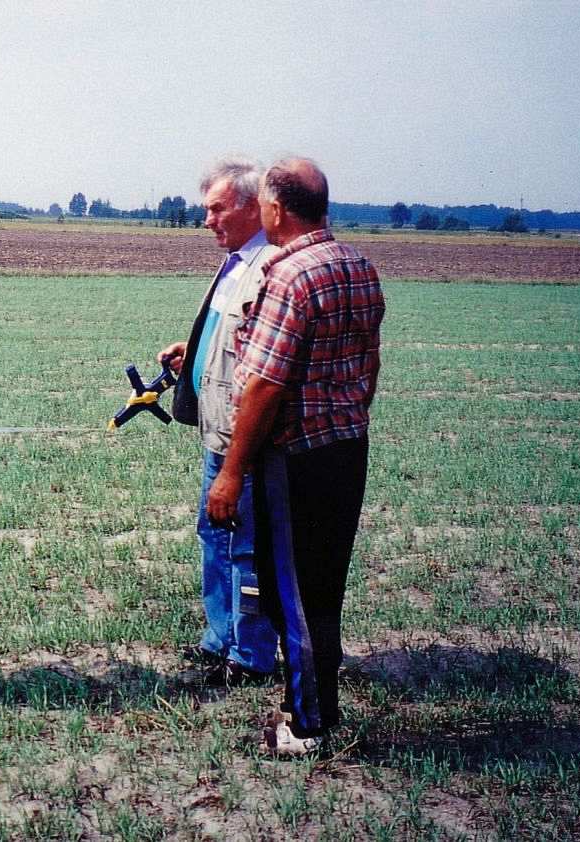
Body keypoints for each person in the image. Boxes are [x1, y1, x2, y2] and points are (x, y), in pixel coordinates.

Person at [207, 157, 384, 756]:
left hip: (294, 458)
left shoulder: (289, 278)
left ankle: (307, 724)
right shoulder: (359, 267)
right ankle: (312, 703)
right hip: (346, 447)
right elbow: (369, 364)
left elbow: (263, 384)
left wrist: (232, 471)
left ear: (276, 210)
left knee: (293, 597)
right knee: (323, 588)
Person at [160, 158, 280, 687]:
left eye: (216, 208)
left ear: (253, 207)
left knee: (245, 544)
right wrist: (198, 352)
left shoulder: (270, 266)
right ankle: (220, 639)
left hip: (245, 438)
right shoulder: (236, 262)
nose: (206, 220)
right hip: (218, 429)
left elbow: (268, 367)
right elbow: (239, 340)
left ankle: (250, 658)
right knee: (214, 533)